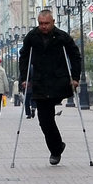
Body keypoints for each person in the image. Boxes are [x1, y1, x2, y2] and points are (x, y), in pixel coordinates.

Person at [18, 9, 81, 165]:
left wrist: (75, 77)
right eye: (41, 24)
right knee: (44, 120)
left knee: (48, 116)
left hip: (58, 81)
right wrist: (24, 78)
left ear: (53, 22)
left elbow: (75, 55)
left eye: (46, 23)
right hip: (40, 82)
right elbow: (24, 57)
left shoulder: (62, 37)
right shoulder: (32, 37)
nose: (43, 27)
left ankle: (55, 149)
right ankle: (56, 148)